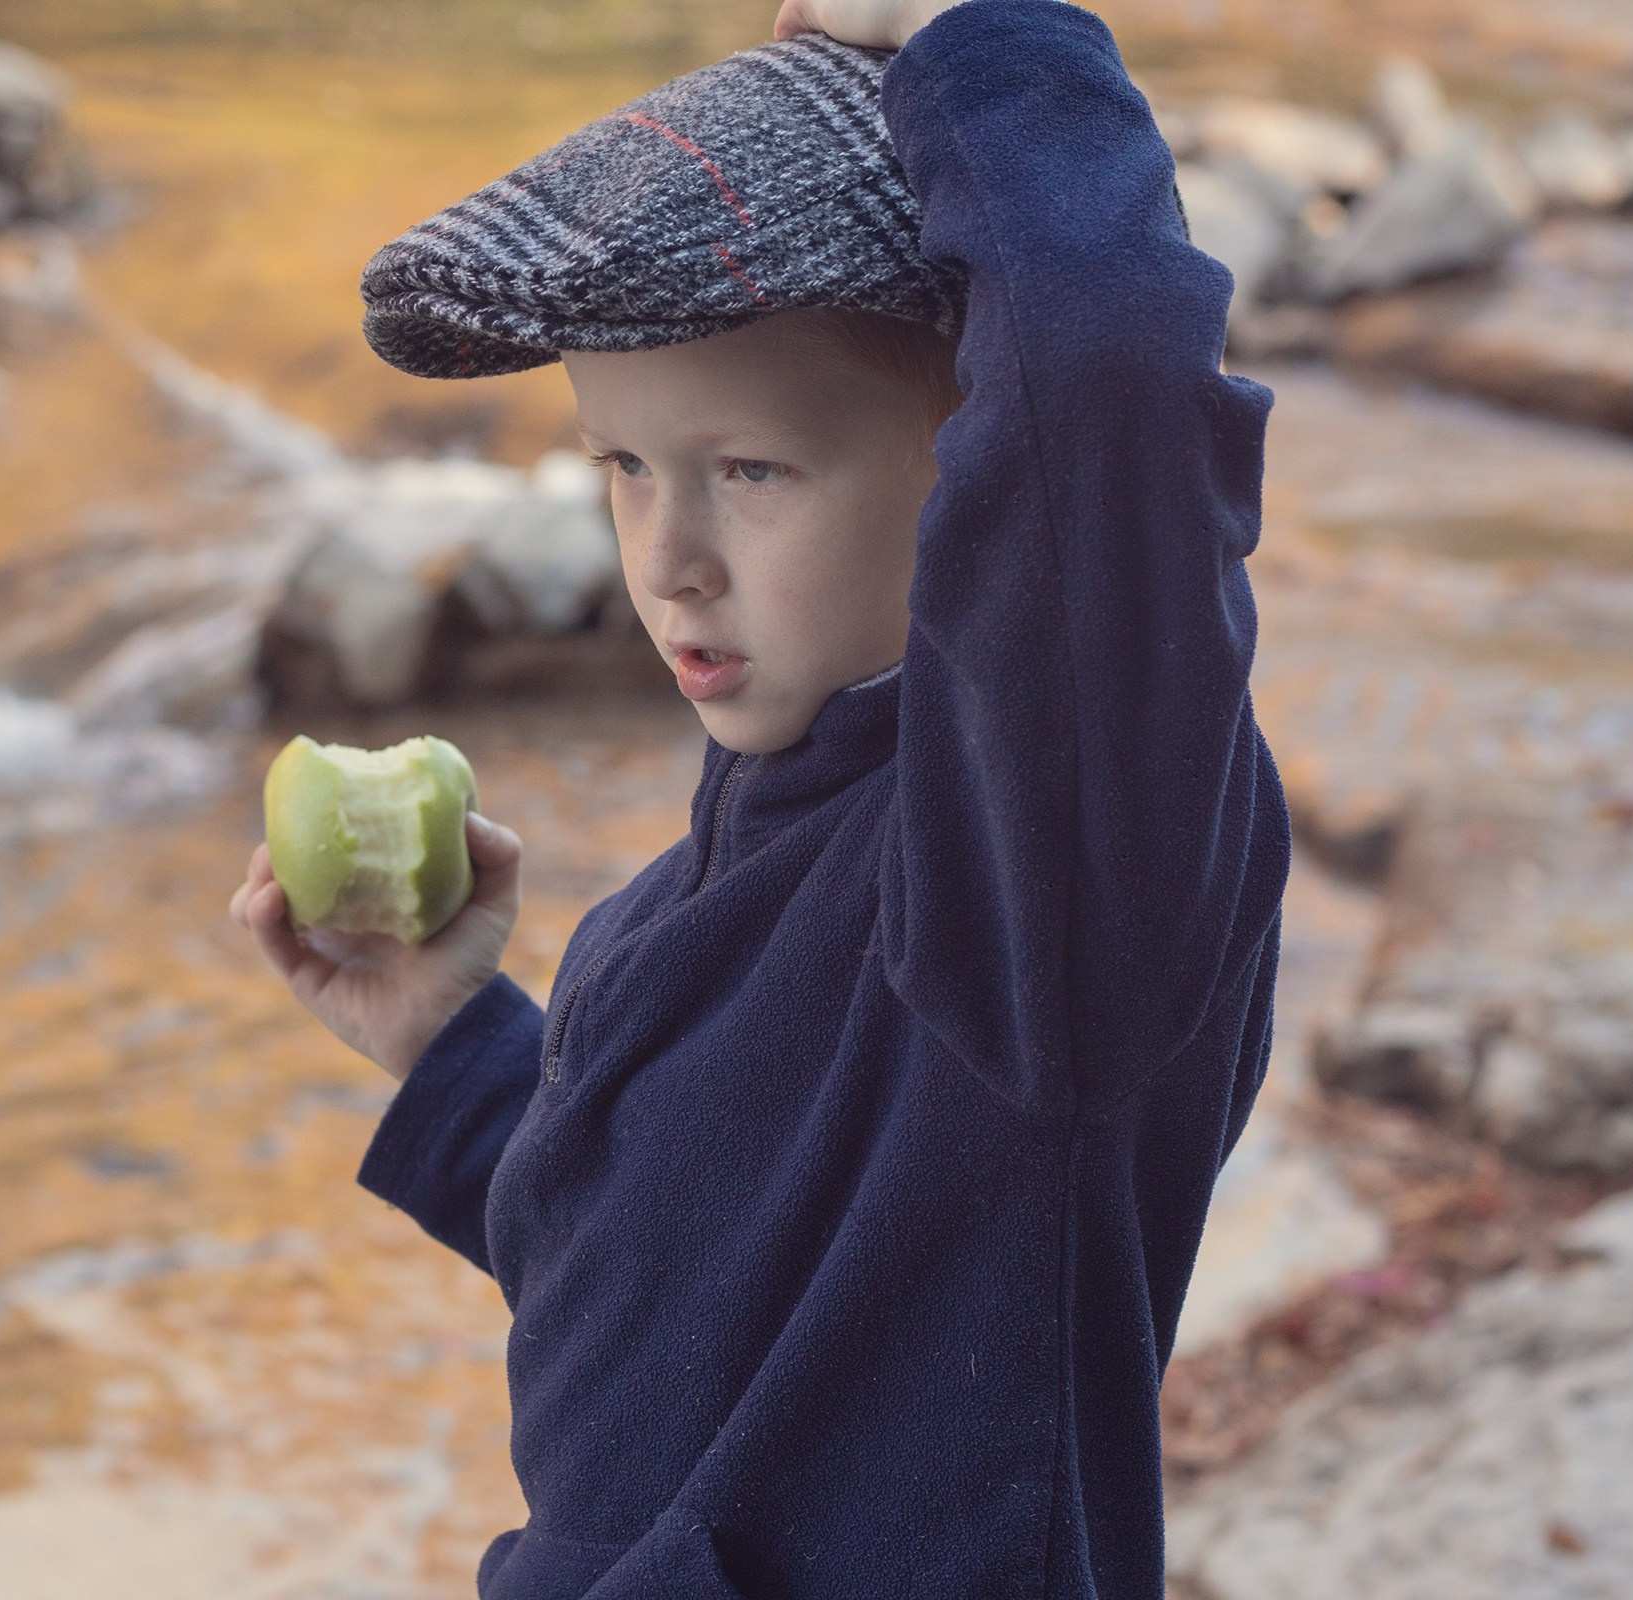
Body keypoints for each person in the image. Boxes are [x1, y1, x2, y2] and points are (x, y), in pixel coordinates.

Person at [230, 0, 1289, 1592]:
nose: (667, 559)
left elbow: (1111, 389)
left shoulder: (1047, 885)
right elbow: (662, 1266)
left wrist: (988, 42)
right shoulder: (682, 895)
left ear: (985, 474)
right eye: (621, 465)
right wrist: (450, 1048)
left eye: (752, 470)